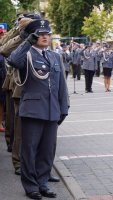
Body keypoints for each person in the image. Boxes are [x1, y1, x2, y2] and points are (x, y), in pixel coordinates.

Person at [7, 19, 69, 199]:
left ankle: (42, 183)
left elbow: (61, 86)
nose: (44, 37)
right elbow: (12, 60)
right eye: (40, 34)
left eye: (47, 34)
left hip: (52, 110)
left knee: (47, 151)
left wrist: (64, 108)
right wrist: (27, 41)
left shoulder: (55, 56)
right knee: (30, 150)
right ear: (33, 36)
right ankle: (31, 186)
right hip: (33, 110)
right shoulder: (25, 55)